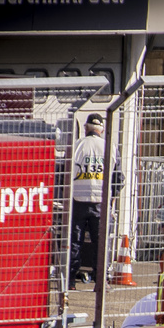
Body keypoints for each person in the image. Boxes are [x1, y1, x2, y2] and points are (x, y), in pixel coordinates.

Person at [68, 113, 108, 286]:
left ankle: (69, 281)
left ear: (85, 128)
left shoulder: (77, 145)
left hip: (77, 200)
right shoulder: (109, 147)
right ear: (102, 130)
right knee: (100, 242)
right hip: (101, 201)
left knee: (74, 242)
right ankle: (100, 281)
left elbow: (65, 173)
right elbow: (118, 178)